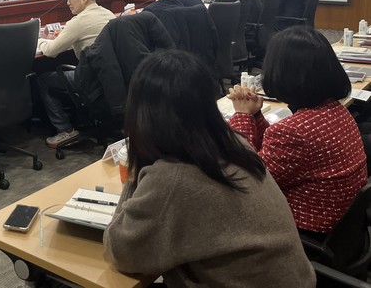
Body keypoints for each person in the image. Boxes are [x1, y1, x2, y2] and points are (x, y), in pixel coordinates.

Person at [105, 50, 316, 287]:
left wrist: (134, 172)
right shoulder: (235, 143)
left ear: (142, 114)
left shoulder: (172, 178)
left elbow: (121, 251)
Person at [228, 26, 367, 234]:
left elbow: (248, 178)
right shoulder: (336, 110)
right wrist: (255, 116)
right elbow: (278, 157)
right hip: (342, 227)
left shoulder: (294, 132)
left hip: (306, 230)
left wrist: (242, 116)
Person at [37, 0, 116, 148]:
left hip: (90, 79)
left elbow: (50, 51)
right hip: (111, 78)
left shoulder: (78, 22)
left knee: (43, 80)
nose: (67, 3)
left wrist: (39, 41)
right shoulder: (108, 14)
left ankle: (65, 129)